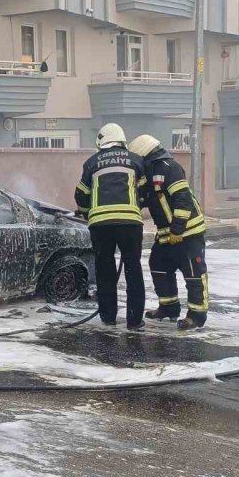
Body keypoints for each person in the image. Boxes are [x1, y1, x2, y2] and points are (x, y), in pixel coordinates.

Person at [128, 134, 209, 331]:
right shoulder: (148, 173)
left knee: (193, 274)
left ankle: (196, 316)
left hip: (188, 231)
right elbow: (143, 198)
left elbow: (182, 199)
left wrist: (178, 229)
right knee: (158, 264)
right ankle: (169, 307)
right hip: (167, 234)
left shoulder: (169, 168)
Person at [74, 124, 148, 331]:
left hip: (101, 226)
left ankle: (108, 316)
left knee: (105, 269)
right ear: (122, 140)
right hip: (130, 224)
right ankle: (134, 321)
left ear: (101, 142)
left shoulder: (91, 163)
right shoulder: (136, 160)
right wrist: (137, 205)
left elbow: (80, 194)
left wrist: (85, 211)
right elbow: (145, 191)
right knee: (133, 269)